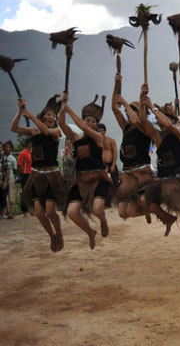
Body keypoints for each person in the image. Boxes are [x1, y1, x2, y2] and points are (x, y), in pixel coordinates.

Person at [11, 95, 65, 251]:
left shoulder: (56, 131)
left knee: (50, 211)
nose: (51, 117)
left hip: (52, 177)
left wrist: (30, 115)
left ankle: (59, 233)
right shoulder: (33, 132)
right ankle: (52, 236)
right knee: (40, 213)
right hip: (36, 176)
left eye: (53, 116)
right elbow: (13, 128)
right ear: (42, 117)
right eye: (48, 115)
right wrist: (20, 111)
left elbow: (46, 130)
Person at [59, 93, 113, 249]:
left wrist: (68, 110)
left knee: (97, 209)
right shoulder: (75, 138)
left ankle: (103, 221)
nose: (89, 123)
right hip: (80, 180)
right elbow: (61, 123)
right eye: (87, 120)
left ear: (97, 125)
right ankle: (90, 232)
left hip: (98, 178)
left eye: (93, 121)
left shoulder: (98, 137)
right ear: (83, 120)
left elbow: (82, 127)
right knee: (72, 212)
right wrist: (63, 108)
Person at [136, 84, 180, 235]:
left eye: (163, 120)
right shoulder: (158, 137)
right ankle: (167, 218)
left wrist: (152, 107)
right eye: (158, 122)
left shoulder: (179, 131)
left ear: (172, 120)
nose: (160, 124)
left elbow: (167, 124)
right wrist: (142, 101)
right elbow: (143, 122)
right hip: (164, 178)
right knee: (144, 200)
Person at [111, 74, 153, 223]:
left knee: (138, 204)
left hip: (141, 170)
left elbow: (136, 120)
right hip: (127, 172)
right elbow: (114, 109)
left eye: (133, 110)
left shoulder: (145, 127)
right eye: (128, 111)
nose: (128, 114)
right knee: (123, 213)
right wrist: (116, 84)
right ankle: (147, 210)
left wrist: (125, 103)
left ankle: (149, 208)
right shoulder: (126, 127)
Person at [17, 139, 32, 216]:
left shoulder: (32, 152)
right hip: (25, 174)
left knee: (32, 192)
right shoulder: (23, 153)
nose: (32, 144)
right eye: (31, 142)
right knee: (25, 192)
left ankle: (32, 210)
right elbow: (19, 165)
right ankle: (24, 211)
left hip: (32, 174)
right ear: (27, 144)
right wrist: (20, 176)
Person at [0, 141, 12, 219]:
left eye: (0, 147)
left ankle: (1, 214)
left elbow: (7, 170)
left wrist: (5, 182)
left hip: (2, 182)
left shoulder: (5, 157)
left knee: (2, 198)